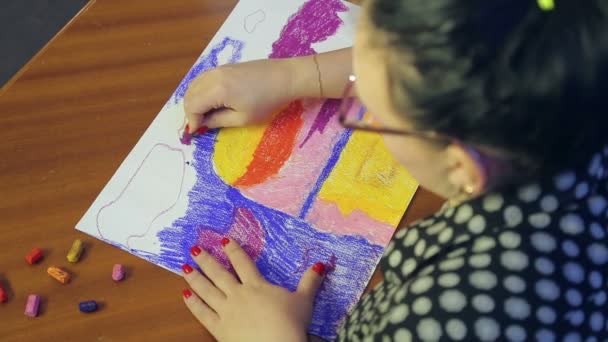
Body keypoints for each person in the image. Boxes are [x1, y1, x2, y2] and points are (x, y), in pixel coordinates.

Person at [179, 0, 608, 340]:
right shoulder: (576, 59)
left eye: (369, 110)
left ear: (461, 165)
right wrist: (292, 76)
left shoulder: (451, 315)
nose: (358, 100)